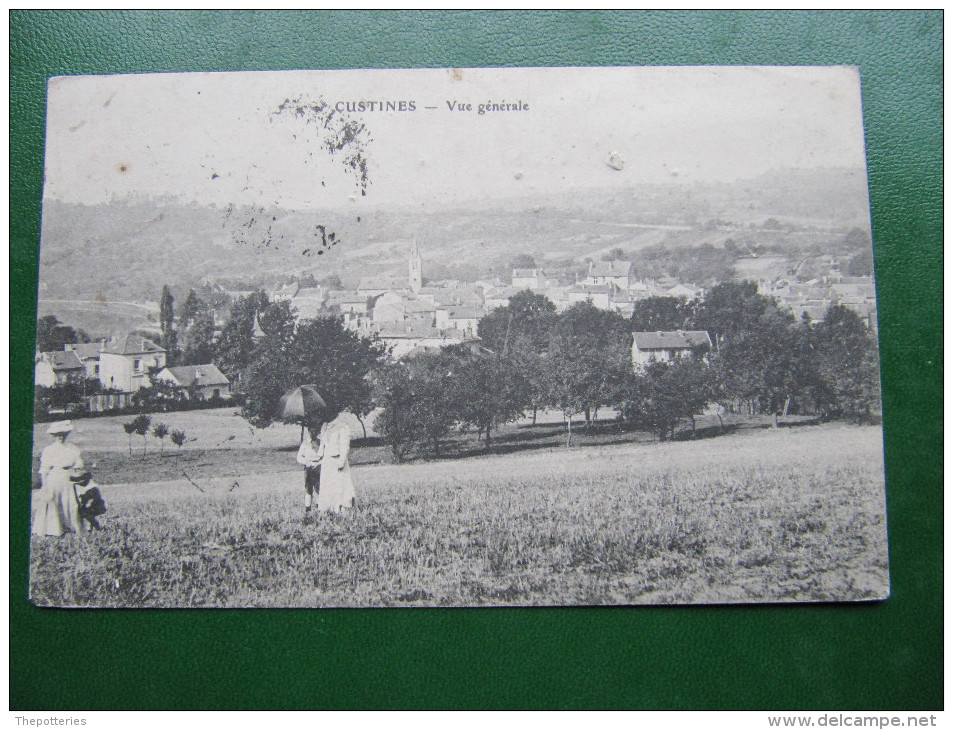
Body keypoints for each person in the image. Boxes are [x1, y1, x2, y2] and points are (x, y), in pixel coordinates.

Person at [32, 420, 91, 537]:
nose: (60, 437)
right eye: (57, 434)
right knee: (52, 502)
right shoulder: (49, 450)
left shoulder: (73, 448)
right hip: (53, 478)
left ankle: (71, 527)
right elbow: (44, 470)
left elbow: (79, 465)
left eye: (63, 434)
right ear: (53, 436)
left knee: (71, 503)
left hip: (68, 479)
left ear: (67, 434)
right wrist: (45, 487)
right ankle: (52, 530)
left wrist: (76, 475)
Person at [316, 411, 356, 512]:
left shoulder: (342, 426)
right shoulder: (324, 426)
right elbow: (322, 444)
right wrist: (319, 455)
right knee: (328, 485)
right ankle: (330, 508)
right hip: (327, 461)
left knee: (340, 485)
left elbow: (345, 445)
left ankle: (342, 508)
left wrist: (341, 461)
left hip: (337, 460)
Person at [296, 422, 324, 517]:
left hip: (318, 468)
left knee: (319, 489)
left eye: (315, 431)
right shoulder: (305, 443)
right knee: (308, 489)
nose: (313, 433)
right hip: (308, 469)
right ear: (308, 431)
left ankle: (319, 508)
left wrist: (319, 463)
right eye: (311, 431)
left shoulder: (321, 442)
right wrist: (306, 462)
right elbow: (299, 457)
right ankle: (308, 509)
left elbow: (324, 456)